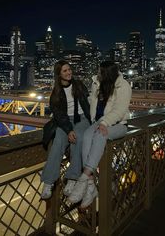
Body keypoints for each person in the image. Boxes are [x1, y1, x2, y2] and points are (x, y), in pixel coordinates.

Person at [68, 61, 132, 208]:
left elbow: (120, 109)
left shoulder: (124, 86)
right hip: (97, 122)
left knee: (100, 136)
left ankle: (84, 178)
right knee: (85, 136)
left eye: (100, 71)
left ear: (107, 73)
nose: (97, 73)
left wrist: (105, 122)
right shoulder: (96, 84)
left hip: (118, 125)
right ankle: (91, 185)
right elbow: (92, 102)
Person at [40, 60, 91, 199]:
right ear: (59, 74)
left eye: (69, 69)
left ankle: (72, 179)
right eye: (65, 71)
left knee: (78, 138)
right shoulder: (56, 92)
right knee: (57, 142)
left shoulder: (79, 85)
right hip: (65, 122)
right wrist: (68, 130)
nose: (69, 72)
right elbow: (58, 115)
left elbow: (88, 103)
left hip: (82, 119)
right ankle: (48, 181)